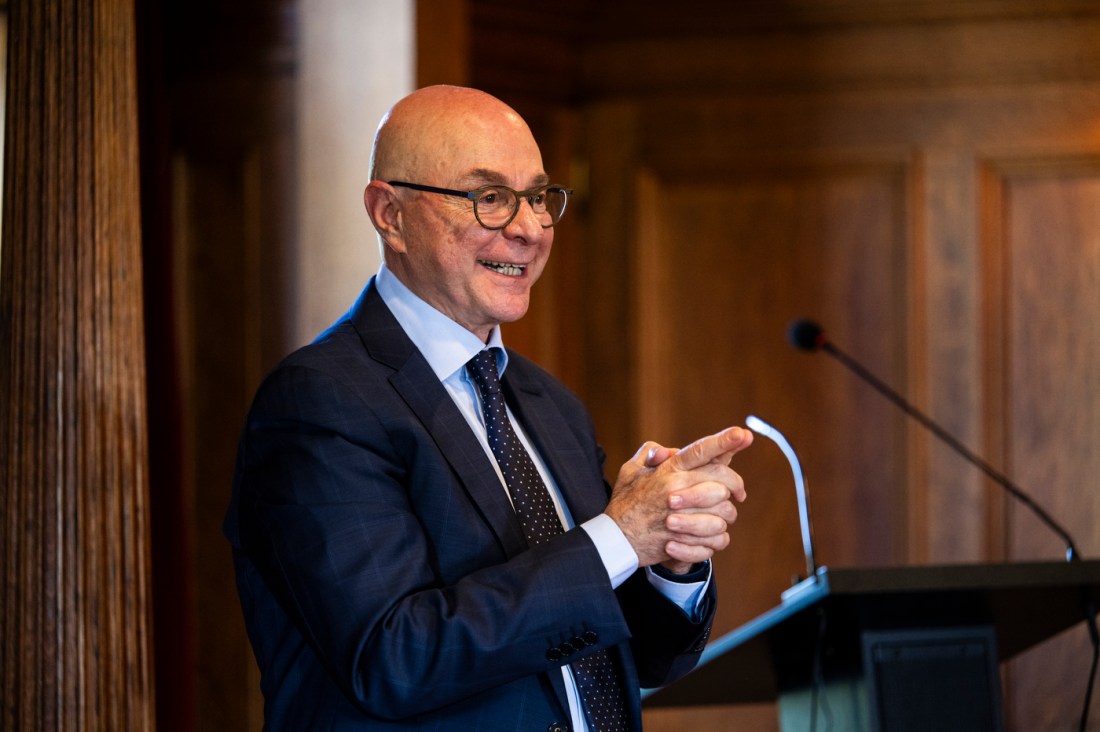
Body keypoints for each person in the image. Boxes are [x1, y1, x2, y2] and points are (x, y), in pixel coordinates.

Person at [224, 85, 752, 731]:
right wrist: (618, 536)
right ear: (390, 214)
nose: (529, 229)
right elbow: (395, 658)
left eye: (537, 197)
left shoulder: (550, 404)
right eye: (491, 198)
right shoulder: (320, 401)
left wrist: (670, 556)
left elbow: (637, 656)